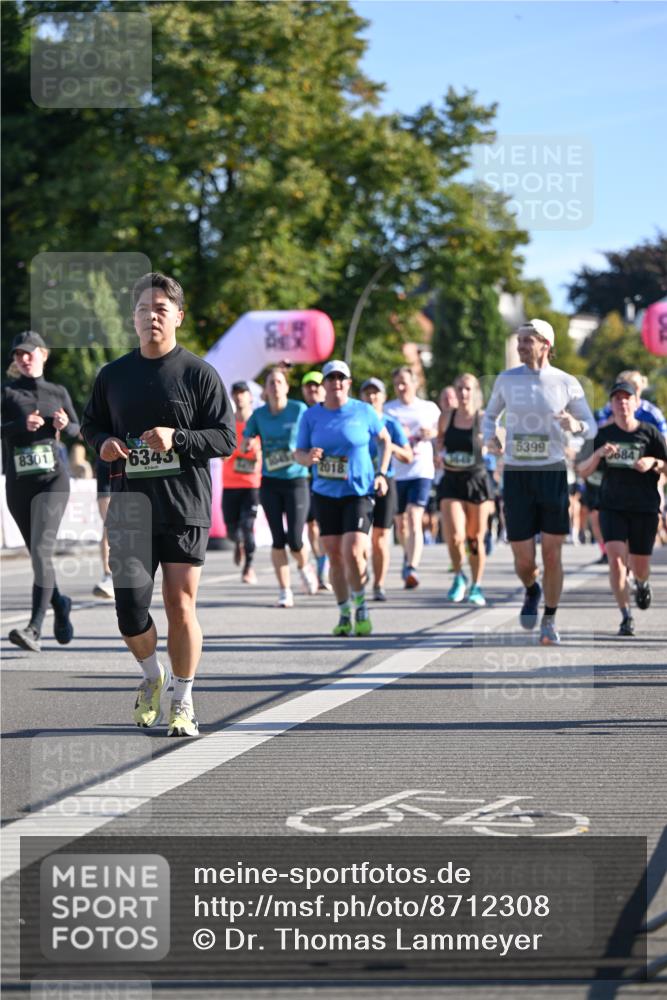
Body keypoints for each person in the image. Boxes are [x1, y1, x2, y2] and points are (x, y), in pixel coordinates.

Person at [82, 271, 236, 737]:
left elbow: (226, 438)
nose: (152, 316)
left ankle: (184, 701)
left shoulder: (199, 374)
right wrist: (104, 442)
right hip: (131, 506)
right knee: (129, 610)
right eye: (144, 309)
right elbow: (90, 426)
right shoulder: (113, 375)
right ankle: (154, 677)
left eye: (161, 309)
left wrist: (179, 438)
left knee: (180, 604)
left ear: (178, 317)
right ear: (133, 318)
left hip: (184, 505)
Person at [482, 318, 597, 645]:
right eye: (518, 341)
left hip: (552, 472)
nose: (519, 347)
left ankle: (549, 617)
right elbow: (490, 417)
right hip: (517, 474)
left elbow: (591, 426)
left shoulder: (565, 382)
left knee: (551, 554)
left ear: (545, 344)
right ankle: (531, 590)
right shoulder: (506, 379)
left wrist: (574, 425)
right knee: (524, 559)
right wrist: (491, 439)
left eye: (526, 341)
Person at [295, 360, 392, 635]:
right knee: (335, 556)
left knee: (352, 550)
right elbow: (298, 454)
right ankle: (344, 612)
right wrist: (308, 457)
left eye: (341, 378)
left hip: (358, 491)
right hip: (325, 493)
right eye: (331, 378)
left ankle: (361, 604)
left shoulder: (363, 411)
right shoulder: (311, 416)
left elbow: (384, 440)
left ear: (348, 383)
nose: (336, 382)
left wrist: (382, 473)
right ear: (324, 384)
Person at [1, 331, 79, 652]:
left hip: (52, 481)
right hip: (19, 483)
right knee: (38, 555)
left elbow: (79, 429)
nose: (23, 358)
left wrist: (64, 424)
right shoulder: (6, 392)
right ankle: (60, 604)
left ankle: (35, 629)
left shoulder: (57, 391)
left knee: (42, 551)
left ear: (43, 355)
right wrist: (20, 426)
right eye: (18, 354)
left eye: (29, 353)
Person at [577, 380, 667, 636]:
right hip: (612, 505)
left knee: (639, 565)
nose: (622, 402)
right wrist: (598, 455)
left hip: (645, 506)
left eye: (627, 397)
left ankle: (642, 582)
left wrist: (654, 463)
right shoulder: (602, 435)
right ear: (611, 404)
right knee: (616, 561)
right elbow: (582, 470)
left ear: (636, 402)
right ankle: (626, 615)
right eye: (617, 398)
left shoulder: (650, 433)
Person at [243, 367, 318, 607]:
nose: (275, 386)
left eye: (279, 382)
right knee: (278, 539)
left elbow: (311, 434)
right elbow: (247, 437)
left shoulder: (299, 410)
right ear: (265, 390)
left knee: (295, 539)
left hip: (296, 480)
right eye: (271, 383)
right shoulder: (259, 414)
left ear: (286, 387)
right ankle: (285, 590)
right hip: (270, 482)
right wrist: (246, 445)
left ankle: (305, 565)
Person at [437, 373, 492, 607]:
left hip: (476, 481)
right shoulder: (447, 416)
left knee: (474, 539)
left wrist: (491, 445)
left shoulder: (482, 418)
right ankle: (459, 576)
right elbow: (439, 440)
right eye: (459, 388)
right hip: (451, 480)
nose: (463, 393)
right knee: (455, 536)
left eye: (468, 389)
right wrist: (437, 454)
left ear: (475, 392)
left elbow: (497, 440)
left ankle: (476, 585)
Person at [384, 366, 441, 589]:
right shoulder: (388, 410)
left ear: (415, 383)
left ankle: (412, 567)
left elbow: (442, 431)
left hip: (421, 470)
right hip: (396, 473)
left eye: (404, 382)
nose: (400, 387)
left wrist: (433, 434)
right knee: (401, 524)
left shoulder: (428, 408)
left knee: (414, 516)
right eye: (396, 383)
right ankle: (408, 557)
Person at [359, 377, 413, 601]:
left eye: (376, 393)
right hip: (360, 483)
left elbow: (408, 456)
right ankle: (360, 579)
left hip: (385, 483)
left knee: (380, 538)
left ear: (383, 397)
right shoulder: (356, 421)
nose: (371, 397)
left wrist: (390, 446)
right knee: (359, 539)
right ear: (361, 396)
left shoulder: (391, 424)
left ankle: (379, 584)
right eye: (367, 393)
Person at [222, 381, 261, 585]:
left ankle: (249, 567)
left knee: (248, 526)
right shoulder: (227, 423)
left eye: (243, 393)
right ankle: (238, 543)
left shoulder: (257, 422)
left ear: (250, 397)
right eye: (236, 393)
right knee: (232, 531)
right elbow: (220, 450)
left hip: (251, 484)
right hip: (230, 484)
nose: (239, 397)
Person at [301, 370, 331, 590]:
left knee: (325, 524)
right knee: (311, 525)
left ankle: (327, 561)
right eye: (308, 387)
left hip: (330, 478)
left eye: (316, 386)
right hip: (305, 476)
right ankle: (321, 561)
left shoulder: (331, 412)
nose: (312, 390)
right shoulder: (302, 413)